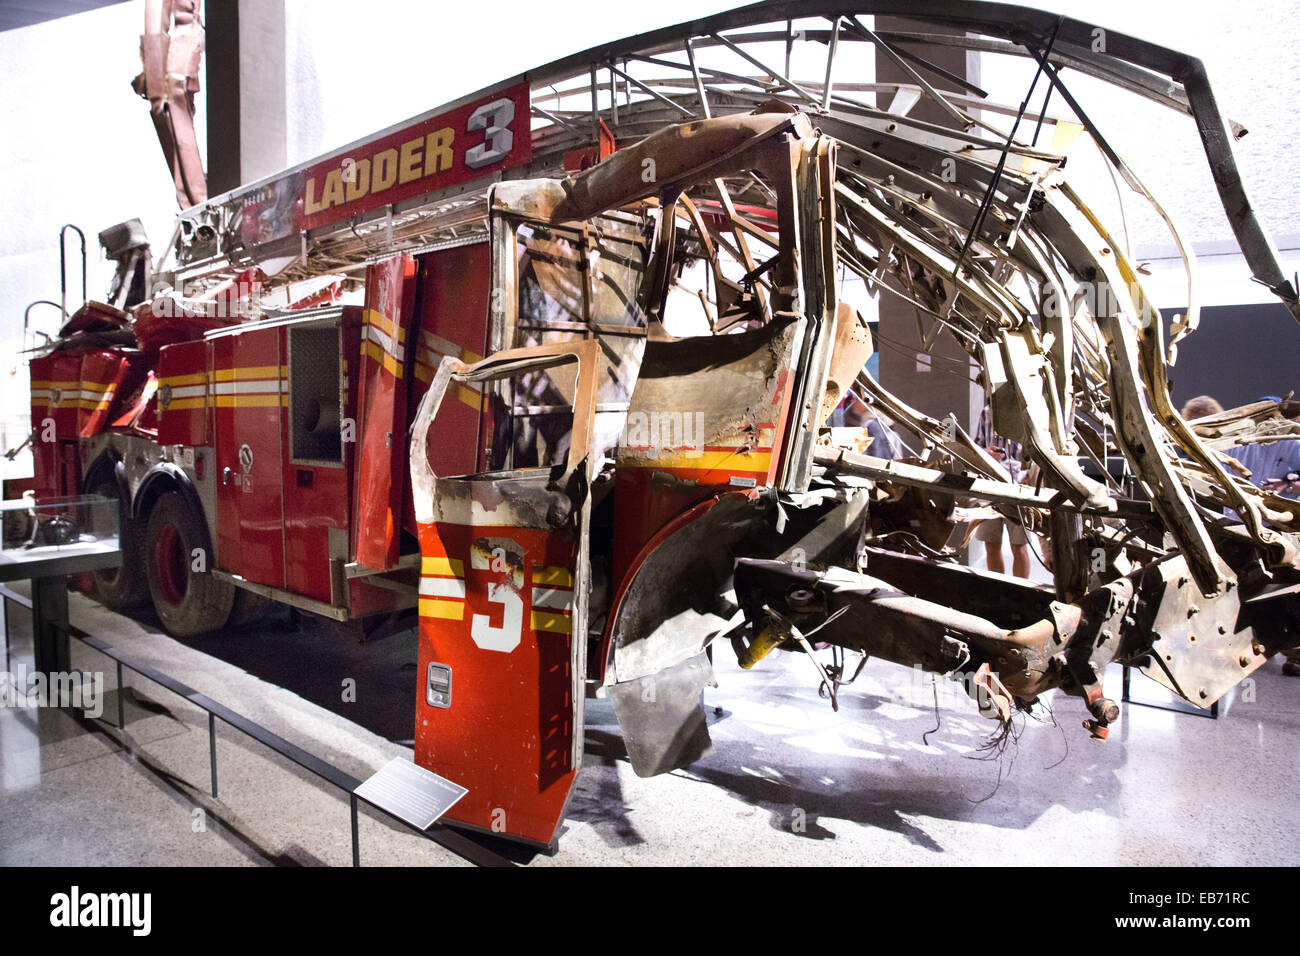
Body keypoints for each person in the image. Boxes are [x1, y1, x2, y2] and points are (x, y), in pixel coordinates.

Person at [972, 403, 1031, 578]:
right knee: (991, 545)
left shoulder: (1025, 415)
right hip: (990, 487)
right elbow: (977, 446)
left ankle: (1020, 593)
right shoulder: (986, 412)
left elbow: (1035, 452)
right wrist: (985, 453)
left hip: (1017, 488)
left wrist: (1028, 474)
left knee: (1019, 547)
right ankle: (1000, 590)